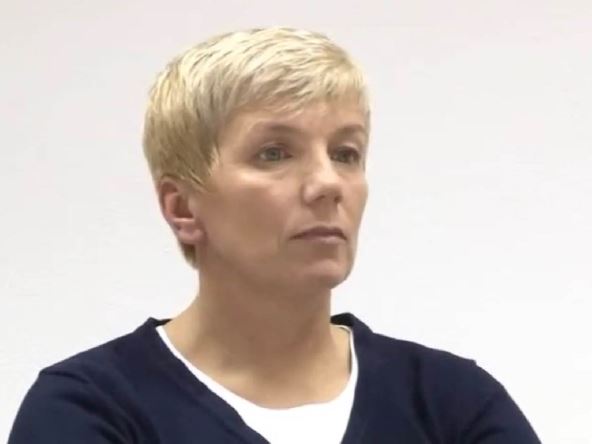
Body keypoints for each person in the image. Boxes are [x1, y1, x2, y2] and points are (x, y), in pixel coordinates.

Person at [8, 27, 541, 443]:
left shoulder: (453, 404)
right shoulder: (88, 411)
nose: (328, 183)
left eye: (346, 153)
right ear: (182, 207)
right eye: (274, 153)